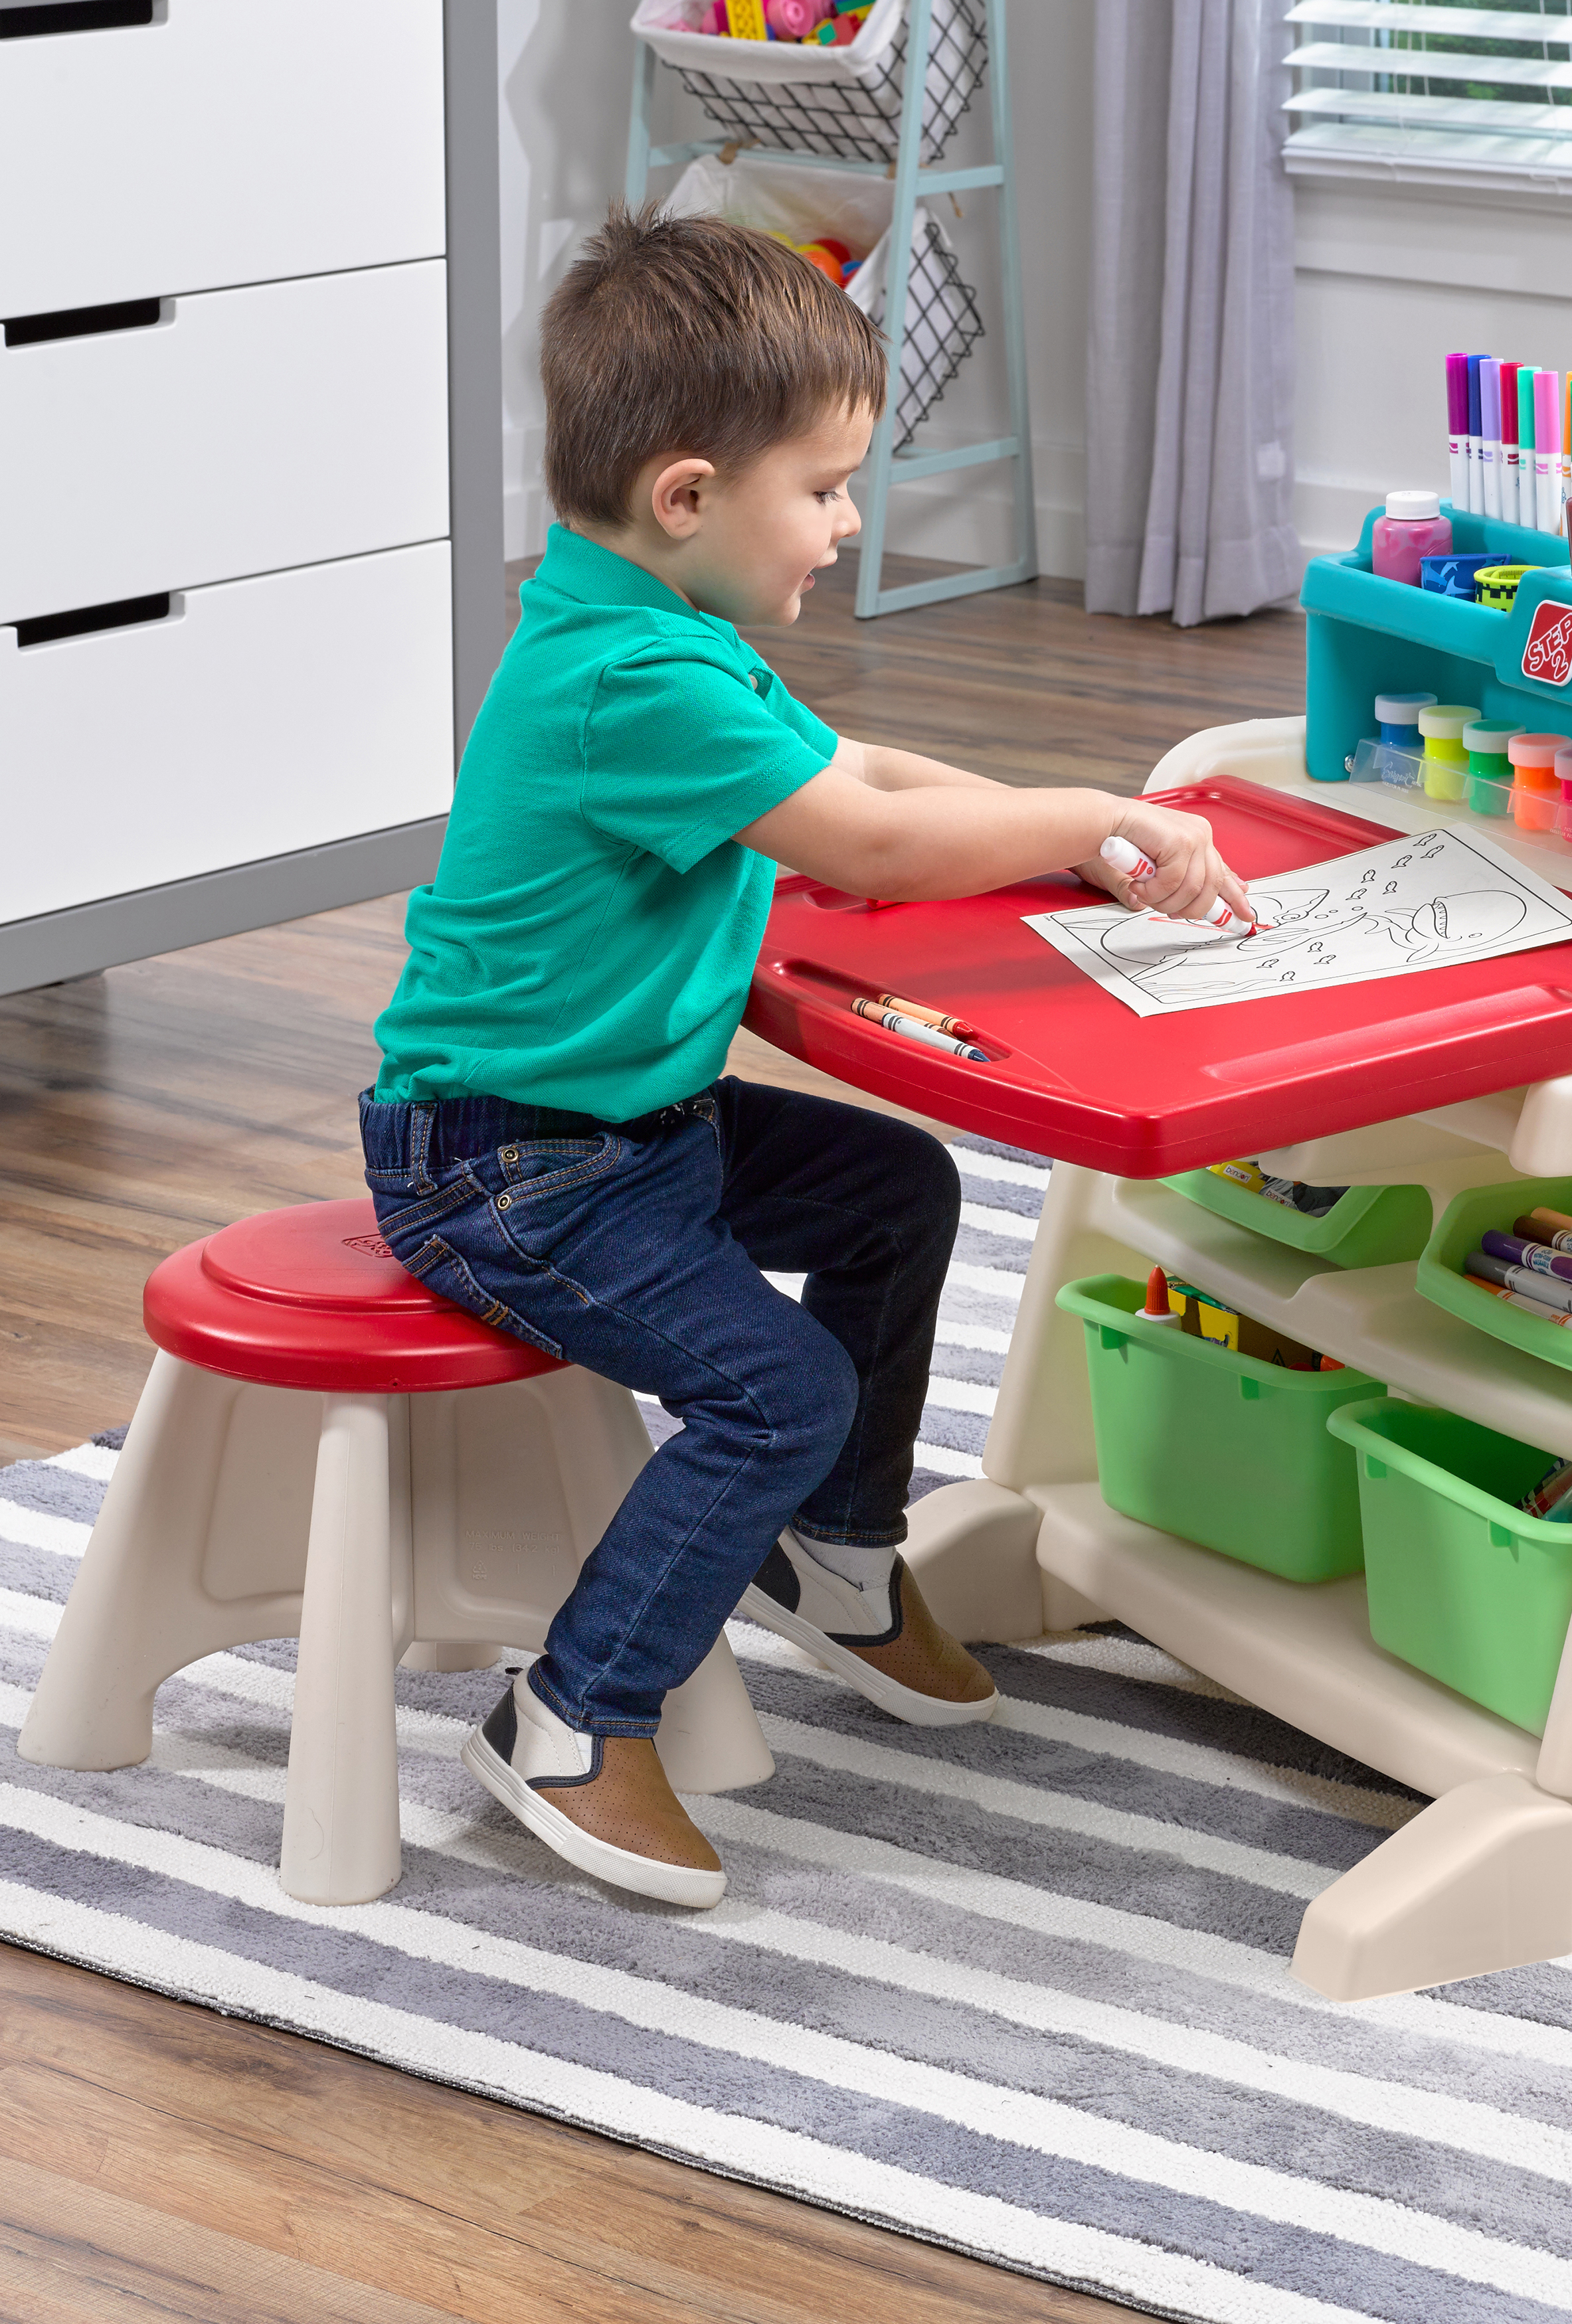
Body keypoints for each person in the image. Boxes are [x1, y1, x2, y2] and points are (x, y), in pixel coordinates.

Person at [358, 207, 1249, 1909]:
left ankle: (834, 1552)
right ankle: (571, 1716)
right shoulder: (629, 681)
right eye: (826, 489)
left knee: (893, 1189)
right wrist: (1098, 811)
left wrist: (1078, 839)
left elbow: (869, 773)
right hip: (510, 1166)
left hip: (628, 1130)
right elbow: (876, 844)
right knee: (780, 1387)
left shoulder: (662, 632)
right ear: (689, 496)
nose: (847, 523)